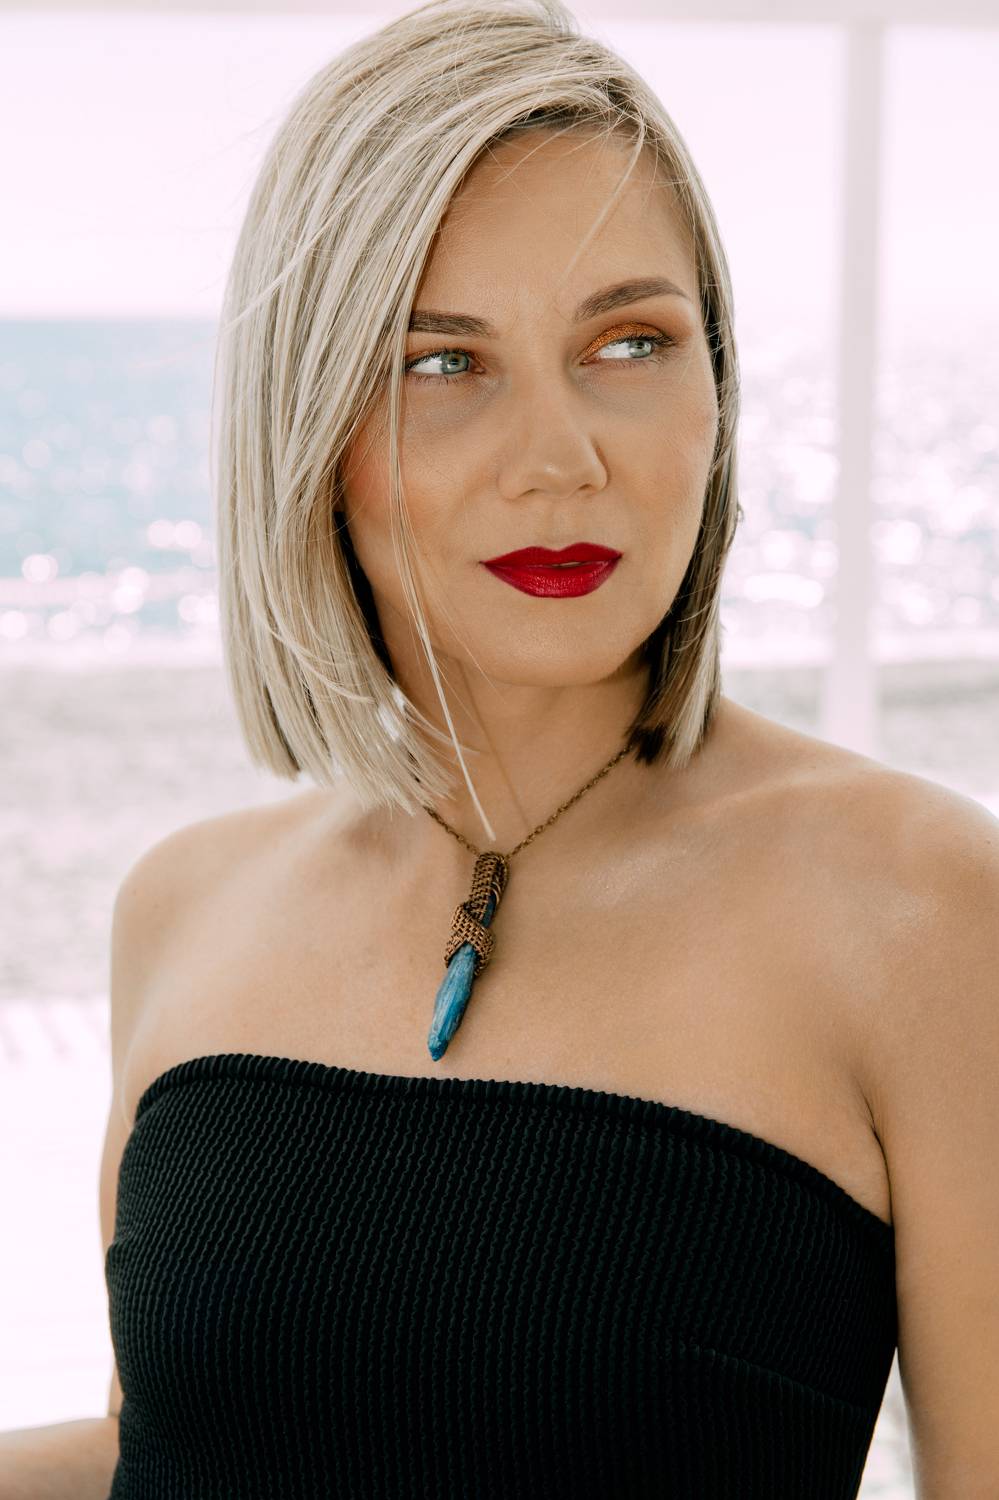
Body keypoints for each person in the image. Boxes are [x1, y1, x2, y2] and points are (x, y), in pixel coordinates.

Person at [5, 0, 998, 1495]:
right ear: (312, 429)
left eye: (631, 342)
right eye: (443, 364)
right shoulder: (183, 909)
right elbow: (174, 1452)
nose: (561, 458)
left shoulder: (925, 909)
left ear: (718, 391)